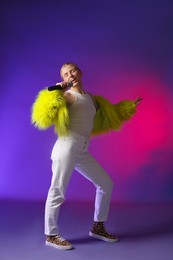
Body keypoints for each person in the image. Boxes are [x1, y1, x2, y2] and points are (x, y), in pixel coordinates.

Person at [31, 62, 142, 250]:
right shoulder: (66, 95)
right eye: (65, 74)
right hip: (66, 146)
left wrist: (130, 106)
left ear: (80, 72)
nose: (70, 75)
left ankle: (98, 227)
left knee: (106, 184)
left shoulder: (91, 98)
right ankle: (51, 235)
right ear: (64, 79)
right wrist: (54, 93)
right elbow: (43, 115)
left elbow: (111, 114)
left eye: (72, 70)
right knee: (57, 191)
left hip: (82, 148)